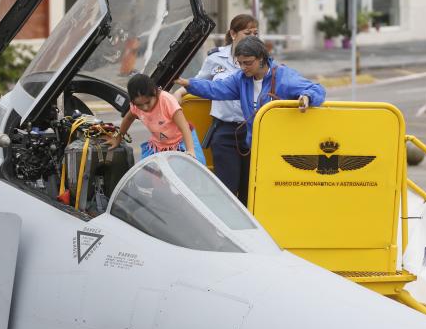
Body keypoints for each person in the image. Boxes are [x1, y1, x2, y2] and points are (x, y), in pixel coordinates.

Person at [175, 35, 325, 159]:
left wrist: (306, 97)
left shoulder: (283, 76)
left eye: (247, 63)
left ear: (261, 58)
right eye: (239, 63)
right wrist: (187, 83)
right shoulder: (241, 78)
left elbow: (316, 89)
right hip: (255, 148)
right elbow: (215, 88)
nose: (243, 67)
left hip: (282, 150)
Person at [174, 14, 258, 204]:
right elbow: (201, 82)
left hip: (252, 129)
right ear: (233, 33)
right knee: (227, 189)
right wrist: (179, 93)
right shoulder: (216, 58)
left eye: (255, 33)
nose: (252, 36)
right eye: (247, 33)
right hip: (225, 129)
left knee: (250, 189)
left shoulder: (260, 59)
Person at [106, 74, 206, 164]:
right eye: (140, 105)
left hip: (182, 141)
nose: (145, 108)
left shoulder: (167, 101)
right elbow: (128, 119)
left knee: (188, 171)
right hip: (160, 144)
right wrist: (118, 137)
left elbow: (185, 127)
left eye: (148, 102)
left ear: (155, 92)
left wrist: (190, 151)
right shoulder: (135, 105)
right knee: (152, 175)